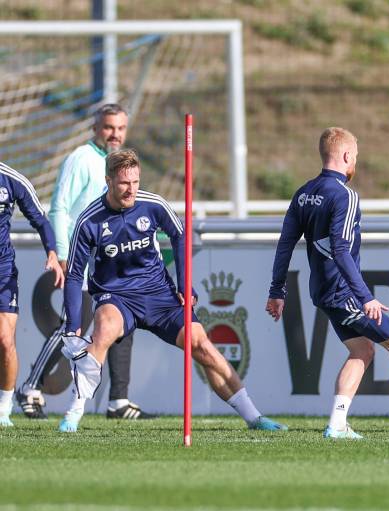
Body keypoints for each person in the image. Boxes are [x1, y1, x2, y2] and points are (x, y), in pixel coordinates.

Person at [58, 149, 285, 433]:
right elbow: (74, 274)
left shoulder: (153, 205)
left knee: (202, 346)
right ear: (108, 181)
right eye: (124, 183)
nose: (131, 190)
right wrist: (73, 325)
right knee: (103, 331)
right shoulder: (89, 220)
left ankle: (254, 417)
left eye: (135, 182)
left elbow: (180, 234)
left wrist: (184, 283)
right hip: (116, 296)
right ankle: (74, 412)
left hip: (159, 294)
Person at [267, 127, 389, 439]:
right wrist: (365, 297)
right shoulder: (345, 195)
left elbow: (284, 244)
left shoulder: (303, 193)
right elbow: (340, 250)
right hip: (343, 292)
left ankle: (337, 423)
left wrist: (277, 290)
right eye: (356, 157)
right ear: (347, 156)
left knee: (362, 350)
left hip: (323, 291)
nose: (355, 162)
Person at [16, 103, 151, 420]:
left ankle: (118, 401)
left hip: (112, 264)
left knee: (123, 325)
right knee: (72, 327)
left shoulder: (120, 165)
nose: (115, 134)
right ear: (95, 128)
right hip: (82, 262)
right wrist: (63, 254)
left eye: (120, 128)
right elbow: (60, 208)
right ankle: (30, 387)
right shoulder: (81, 159)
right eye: (108, 127)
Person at [0, 162, 64, 427]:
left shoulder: (11, 179)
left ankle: (3, 408)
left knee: (5, 340)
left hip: (2, 272)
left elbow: (40, 219)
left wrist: (52, 252)